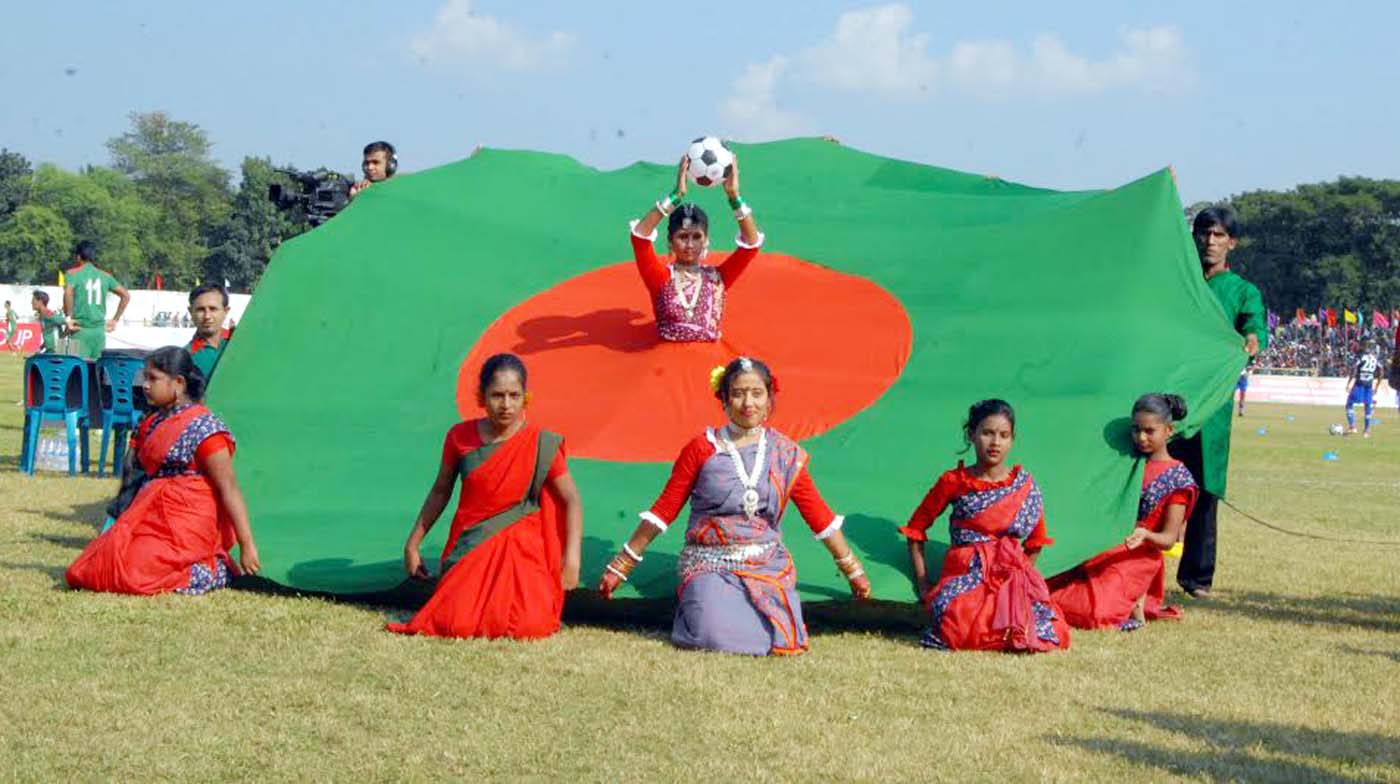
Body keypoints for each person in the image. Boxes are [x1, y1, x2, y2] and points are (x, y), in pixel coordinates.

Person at [598, 357, 870, 656]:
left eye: (757, 393)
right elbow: (664, 510)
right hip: (710, 561)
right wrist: (622, 564)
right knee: (710, 634)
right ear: (724, 399)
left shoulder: (786, 454)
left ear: (769, 399)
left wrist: (853, 570)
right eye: (739, 393)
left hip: (767, 563)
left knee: (779, 637)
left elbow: (819, 517)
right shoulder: (702, 448)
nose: (748, 403)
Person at [389, 353, 584, 640]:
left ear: (525, 398)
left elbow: (571, 501)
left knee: (530, 627)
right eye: (497, 395)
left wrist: (571, 560)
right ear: (481, 397)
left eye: (514, 395)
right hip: (472, 544)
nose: (506, 405)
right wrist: (412, 544)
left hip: (523, 551)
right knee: (455, 625)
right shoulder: (459, 437)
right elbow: (440, 492)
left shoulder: (541, 443)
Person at [66, 347, 260, 595]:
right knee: (93, 566)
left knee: (133, 573)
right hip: (151, 511)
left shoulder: (205, 428)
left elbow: (229, 489)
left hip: (189, 518)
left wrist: (247, 545)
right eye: (144, 378)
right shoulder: (152, 420)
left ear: (178, 383)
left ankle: (212, 570)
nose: (145, 385)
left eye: (153, 379)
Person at [901, 399, 1070, 653]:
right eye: (987, 433)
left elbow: (1036, 541)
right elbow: (916, 530)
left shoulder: (1024, 485)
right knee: (959, 626)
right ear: (972, 435)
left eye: (1004, 435)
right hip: (966, 570)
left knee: (1045, 629)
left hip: (1011, 572)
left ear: (1012, 439)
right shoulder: (953, 481)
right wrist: (924, 584)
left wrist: (1018, 579)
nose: (995, 443)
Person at [1170, 206, 1266, 600]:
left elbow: (1254, 326)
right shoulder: (1177, 282)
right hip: (1164, 405)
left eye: (1219, 235)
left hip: (1210, 410)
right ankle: (1128, 574)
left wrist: (1254, 339)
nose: (1210, 241)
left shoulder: (1243, 291)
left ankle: (1197, 579)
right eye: (1204, 233)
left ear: (1232, 242)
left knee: (1205, 491)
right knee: (1150, 485)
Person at [1048, 394, 1198, 631]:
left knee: (1095, 613)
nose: (1141, 437)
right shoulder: (1124, 461)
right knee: (1048, 585)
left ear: (1169, 430)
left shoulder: (1178, 478)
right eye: (1136, 430)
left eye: (1150, 431)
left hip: (1136, 555)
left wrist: (1145, 535)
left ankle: (1133, 602)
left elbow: (1169, 540)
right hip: (1102, 545)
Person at [628, 153, 763, 342]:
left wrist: (734, 196)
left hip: (711, 369)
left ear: (706, 240)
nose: (690, 244)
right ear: (670, 241)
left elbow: (751, 244)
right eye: (683, 236)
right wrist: (675, 196)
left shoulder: (718, 278)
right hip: (664, 369)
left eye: (697, 236)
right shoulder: (660, 278)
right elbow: (640, 237)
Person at [63, 241, 130, 360]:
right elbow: (126, 295)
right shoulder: (105, 276)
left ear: (78, 257)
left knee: (73, 370)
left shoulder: (72, 273)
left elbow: (68, 293)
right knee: (96, 373)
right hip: (99, 333)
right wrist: (115, 320)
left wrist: (68, 318)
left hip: (79, 330)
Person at [186, 284, 233, 381]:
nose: (207, 316)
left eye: (213, 309)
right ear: (191, 312)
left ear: (226, 311)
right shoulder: (186, 358)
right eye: (200, 310)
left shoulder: (240, 340)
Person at [1344, 342, 1382, 437]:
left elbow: (1354, 368)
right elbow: (1381, 370)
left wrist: (1349, 383)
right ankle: (1367, 431)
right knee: (1367, 406)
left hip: (1359, 383)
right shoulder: (1375, 359)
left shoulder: (1361, 357)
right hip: (1369, 385)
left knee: (1349, 404)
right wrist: (1377, 385)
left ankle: (1352, 426)